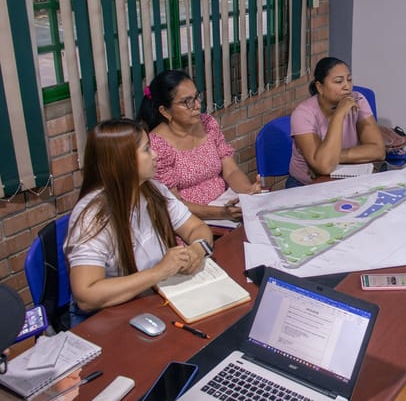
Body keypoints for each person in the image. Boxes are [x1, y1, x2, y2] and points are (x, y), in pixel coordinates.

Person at [64, 119, 215, 325]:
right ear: (123, 161)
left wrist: (197, 250)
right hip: (110, 319)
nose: (155, 155)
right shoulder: (93, 217)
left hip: (152, 300)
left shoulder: (152, 189)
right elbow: (86, 296)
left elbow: (197, 228)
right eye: (146, 150)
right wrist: (159, 272)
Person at [137, 70, 260, 223]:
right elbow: (174, 205)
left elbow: (231, 170)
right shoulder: (157, 145)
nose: (197, 105)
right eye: (187, 102)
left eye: (196, 97)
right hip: (191, 222)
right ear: (165, 111)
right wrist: (221, 213)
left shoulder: (208, 123)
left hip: (226, 207)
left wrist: (248, 192)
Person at [288, 57, 385, 186]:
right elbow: (324, 167)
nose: (347, 87)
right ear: (319, 87)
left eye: (349, 80)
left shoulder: (358, 100)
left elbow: (378, 151)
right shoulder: (302, 114)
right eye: (339, 81)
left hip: (345, 179)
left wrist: (332, 157)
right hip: (306, 185)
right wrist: (338, 115)